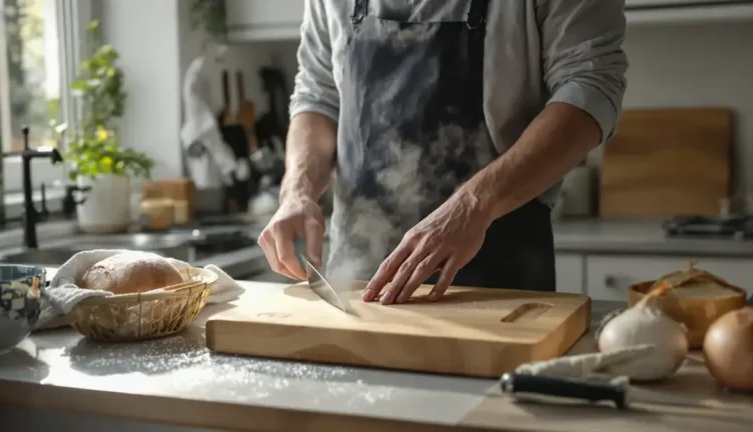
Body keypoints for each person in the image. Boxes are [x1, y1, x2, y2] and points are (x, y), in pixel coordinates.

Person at [257, 0, 628, 305]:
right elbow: (318, 97)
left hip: (497, 293)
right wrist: (298, 191)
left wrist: (474, 203)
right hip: (356, 286)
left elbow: (590, 87)